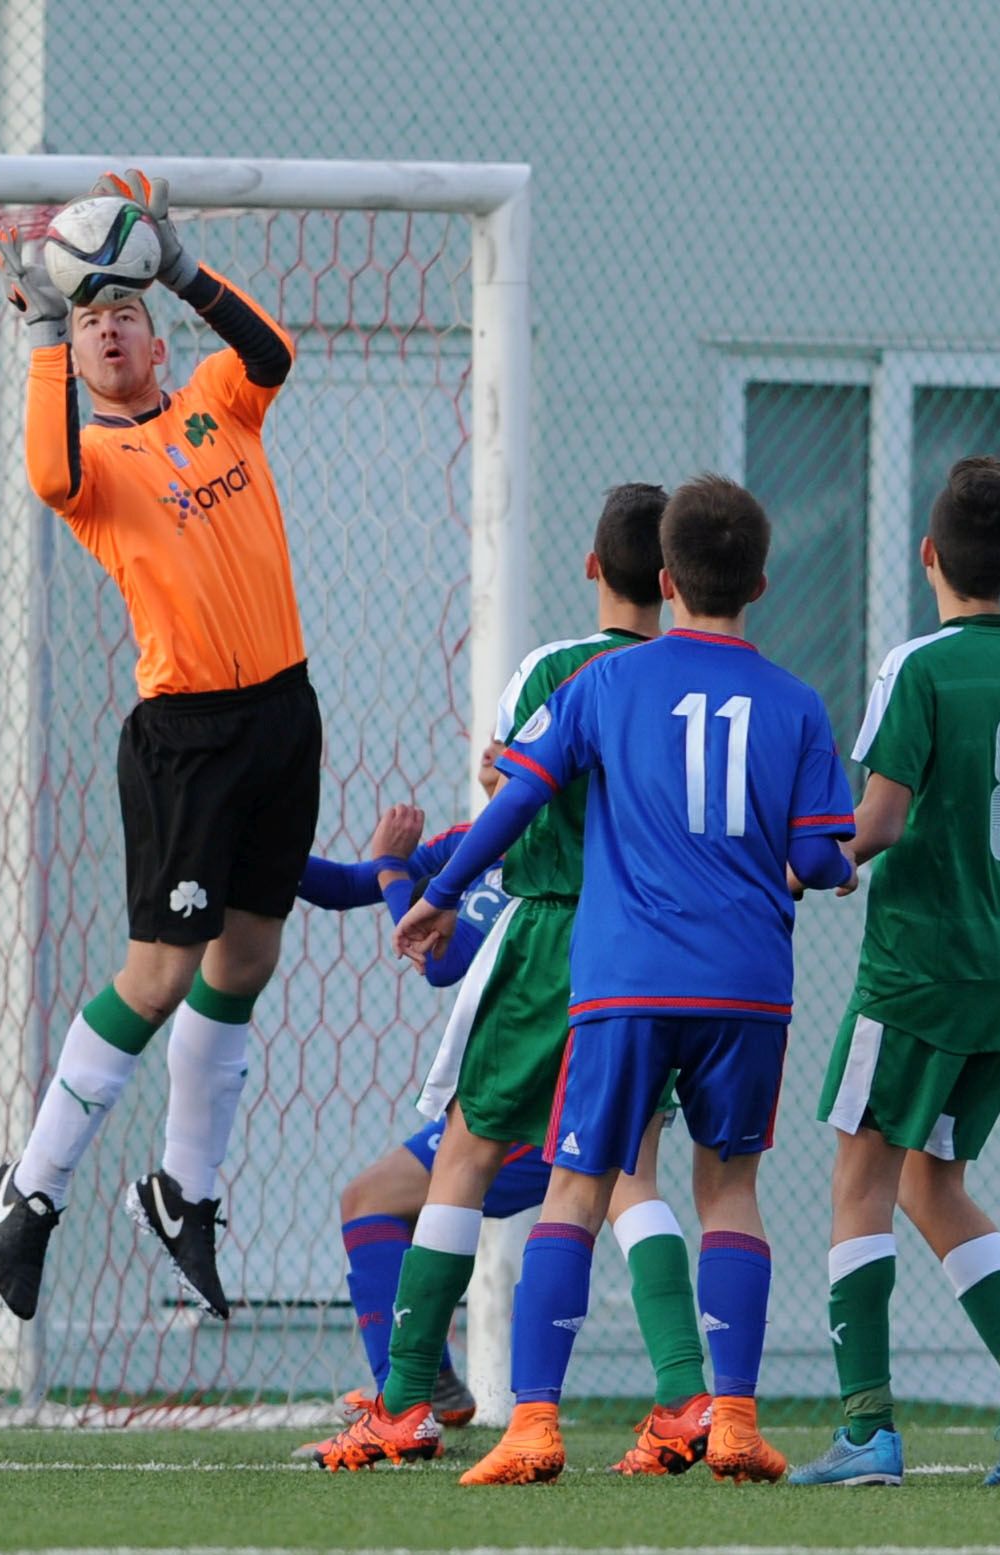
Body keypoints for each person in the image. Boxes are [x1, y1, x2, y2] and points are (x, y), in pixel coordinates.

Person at [397, 474, 856, 1487]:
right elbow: (819, 857)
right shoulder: (795, 703)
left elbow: (517, 797)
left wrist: (442, 889)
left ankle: (533, 1425)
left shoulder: (604, 685)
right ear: (761, 583)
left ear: (666, 579)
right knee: (727, 1188)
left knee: (576, 1186)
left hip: (625, 983)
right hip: (747, 985)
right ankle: (734, 1421)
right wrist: (829, 865)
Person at [0, 170, 318, 1323]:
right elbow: (45, 472)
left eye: (122, 311)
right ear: (76, 355)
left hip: (284, 714)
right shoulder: (92, 467)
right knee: (162, 972)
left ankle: (185, 1190)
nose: (109, 329)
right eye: (90, 323)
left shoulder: (219, 401)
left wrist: (179, 265)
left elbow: (271, 351)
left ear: (156, 334)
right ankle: (34, 1184)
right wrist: (41, 325)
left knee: (246, 958)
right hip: (187, 737)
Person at [308, 485, 694, 1473]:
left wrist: (439, 872)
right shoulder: (691, 682)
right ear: (671, 578)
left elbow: (523, 794)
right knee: (632, 1179)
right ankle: (687, 1396)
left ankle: (404, 1400)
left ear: (592, 566)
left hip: (555, 932)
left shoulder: (553, 668)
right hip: (655, 948)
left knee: (464, 1157)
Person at [790, 456, 1000, 1489]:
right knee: (933, 1178)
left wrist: (803, 866)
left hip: (915, 967)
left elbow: (876, 820)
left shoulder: (915, 667)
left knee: (860, 1177)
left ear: (928, 555)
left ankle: (866, 1429)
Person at [297, 777, 534, 1433]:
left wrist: (392, 869)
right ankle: (420, 1383)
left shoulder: (541, 846)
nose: (491, 750)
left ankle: (404, 1404)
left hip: (541, 1090)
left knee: (626, 1207)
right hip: (511, 1085)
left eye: (510, 738)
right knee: (370, 1197)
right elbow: (350, 884)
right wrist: (256, 846)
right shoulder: (469, 842)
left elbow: (439, 956)